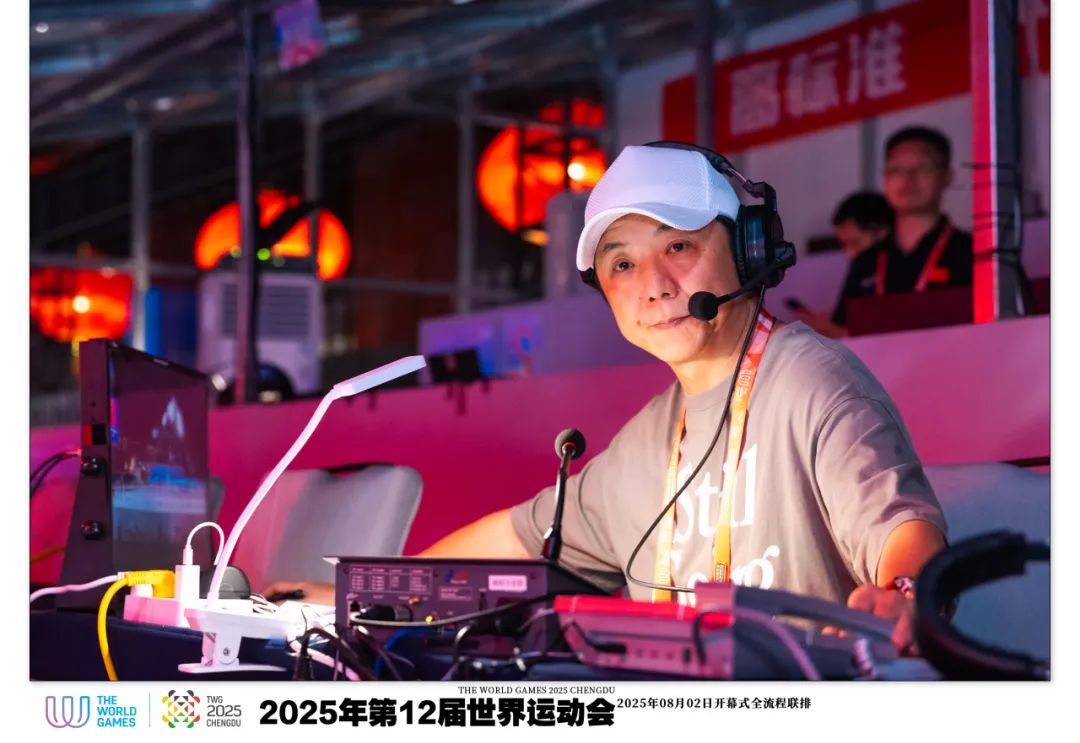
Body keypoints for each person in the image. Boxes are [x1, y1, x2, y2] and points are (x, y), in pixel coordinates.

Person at [266, 143, 948, 654]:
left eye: (678, 246)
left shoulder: (810, 378)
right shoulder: (649, 439)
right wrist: (367, 596)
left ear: (749, 250)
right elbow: (515, 536)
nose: (653, 285)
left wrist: (904, 598)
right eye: (622, 263)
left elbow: (902, 530)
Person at [831, 125, 973, 329]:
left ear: (947, 176)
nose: (908, 178)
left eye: (922, 168)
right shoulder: (866, 261)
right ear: (885, 179)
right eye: (896, 169)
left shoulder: (971, 253)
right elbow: (844, 330)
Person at [792, 191, 893, 338]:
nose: (849, 254)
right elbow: (845, 319)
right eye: (844, 245)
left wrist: (834, 331)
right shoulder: (860, 266)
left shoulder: (891, 267)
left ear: (882, 232)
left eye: (855, 242)